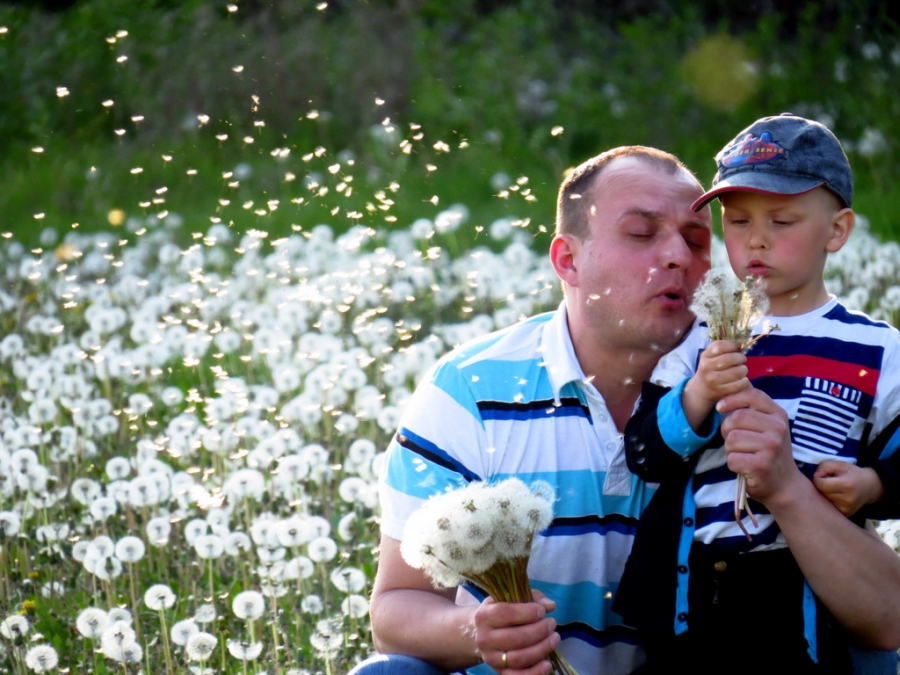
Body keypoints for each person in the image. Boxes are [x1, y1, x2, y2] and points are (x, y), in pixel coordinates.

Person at [354, 144, 900, 675]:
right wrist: (478, 631)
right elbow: (396, 610)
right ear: (568, 259)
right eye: (641, 233)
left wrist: (795, 487)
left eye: (696, 238)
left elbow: (884, 623)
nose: (676, 255)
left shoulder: (766, 372)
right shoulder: (469, 392)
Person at [614, 114, 900, 674]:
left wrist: (872, 485)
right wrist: (697, 396)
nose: (757, 240)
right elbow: (644, 455)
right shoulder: (702, 335)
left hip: (802, 601)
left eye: (784, 220)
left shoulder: (877, 350)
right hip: (691, 596)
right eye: (738, 222)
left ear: (837, 231)